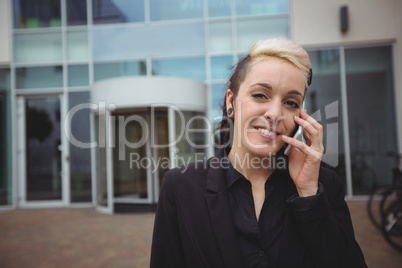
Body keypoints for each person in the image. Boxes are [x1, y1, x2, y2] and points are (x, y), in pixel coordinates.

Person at [150, 38, 367, 268]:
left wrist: (309, 195)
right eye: (260, 95)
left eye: (291, 102)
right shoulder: (181, 186)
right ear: (231, 101)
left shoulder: (323, 186)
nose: (275, 113)